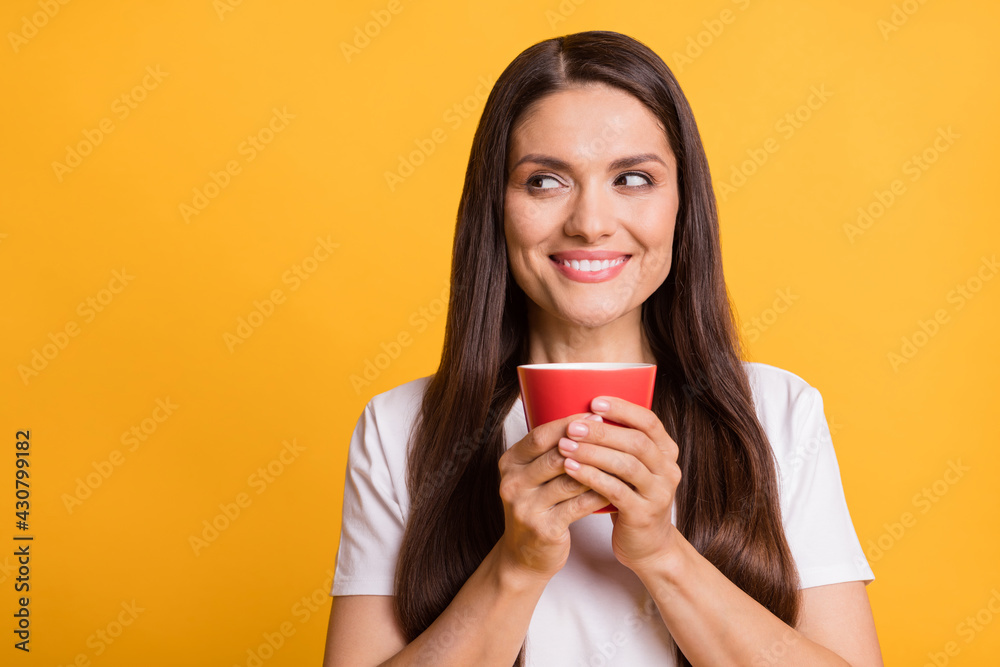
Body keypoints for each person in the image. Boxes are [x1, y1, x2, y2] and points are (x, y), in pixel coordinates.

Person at [324, 30, 883, 666]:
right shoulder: (401, 428)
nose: (590, 222)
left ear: (682, 204)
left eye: (634, 178)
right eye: (544, 182)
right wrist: (517, 566)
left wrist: (661, 553)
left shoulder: (779, 413)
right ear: (497, 207)